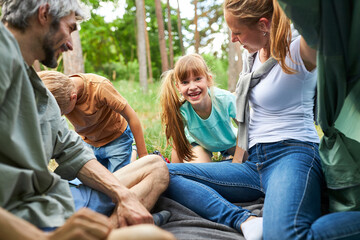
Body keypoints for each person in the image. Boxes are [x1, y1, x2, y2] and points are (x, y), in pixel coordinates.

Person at [163, 0, 360, 239]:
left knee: (286, 235)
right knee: (166, 174)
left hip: (292, 154)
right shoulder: (253, 60)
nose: (234, 39)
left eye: (237, 32)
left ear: (263, 24)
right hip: (253, 163)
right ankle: (244, 220)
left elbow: (320, 24)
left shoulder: (299, 50)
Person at [0, 0, 173, 239]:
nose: (70, 44)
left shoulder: (38, 87)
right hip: (24, 219)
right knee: (155, 236)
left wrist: (122, 194)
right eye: (70, 28)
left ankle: (107, 227)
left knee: (156, 167)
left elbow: (73, 151)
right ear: (44, 14)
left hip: (58, 200)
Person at [38, 70, 148, 173]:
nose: (62, 115)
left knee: (120, 180)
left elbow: (131, 116)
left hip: (116, 140)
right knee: (98, 184)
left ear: (73, 97)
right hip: (88, 142)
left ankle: (133, 151)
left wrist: (144, 157)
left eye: (62, 113)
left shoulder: (100, 87)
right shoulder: (58, 90)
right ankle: (131, 154)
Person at [160, 53, 241, 163]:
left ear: (208, 80)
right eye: (185, 82)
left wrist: (237, 161)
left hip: (229, 142)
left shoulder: (225, 99)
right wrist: (175, 172)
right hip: (200, 144)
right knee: (199, 169)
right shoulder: (182, 110)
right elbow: (177, 144)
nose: (192, 87)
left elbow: (246, 128)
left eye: (198, 79)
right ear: (178, 87)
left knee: (251, 159)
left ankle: (228, 156)